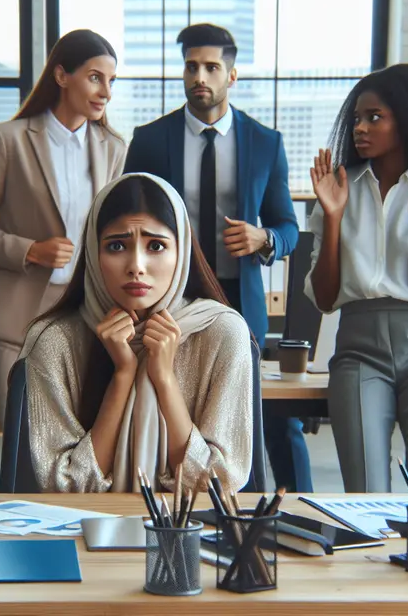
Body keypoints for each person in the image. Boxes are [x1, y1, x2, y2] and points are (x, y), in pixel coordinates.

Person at [123, 23, 312, 492]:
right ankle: (180, 505)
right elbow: (125, 219)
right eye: (191, 66)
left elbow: (289, 227)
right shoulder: (150, 139)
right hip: (172, 302)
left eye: (211, 67)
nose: (199, 76)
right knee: (172, 403)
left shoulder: (265, 143)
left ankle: (295, 510)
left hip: (240, 302)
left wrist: (263, 238)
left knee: (260, 414)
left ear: (232, 74)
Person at [19, 173, 253, 492]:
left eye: (156, 245)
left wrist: (164, 378)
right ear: (92, 251)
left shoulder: (223, 332)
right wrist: (123, 374)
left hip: (189, 534)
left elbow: (214, 486)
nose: (136, 266)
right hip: (83, 531)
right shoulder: (53, 340)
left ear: (181, 251)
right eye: (117, 246)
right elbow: (68, 488)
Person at [304, 63, 408, 493]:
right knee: (365, 495)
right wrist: (334, 216)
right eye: (357, 118)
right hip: (358, 351)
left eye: (374, 117)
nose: (360, 127)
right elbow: (324, 299)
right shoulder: (338, 189)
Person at [0, 30, 126, 429]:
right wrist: (31, 250)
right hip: (17, 321)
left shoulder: (113, 148)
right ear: (62, 76)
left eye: (111, 81)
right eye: (95, 77)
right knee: (21, 446)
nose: (106, 92)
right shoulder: (7, 139)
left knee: (80, 449)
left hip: (87, 320)